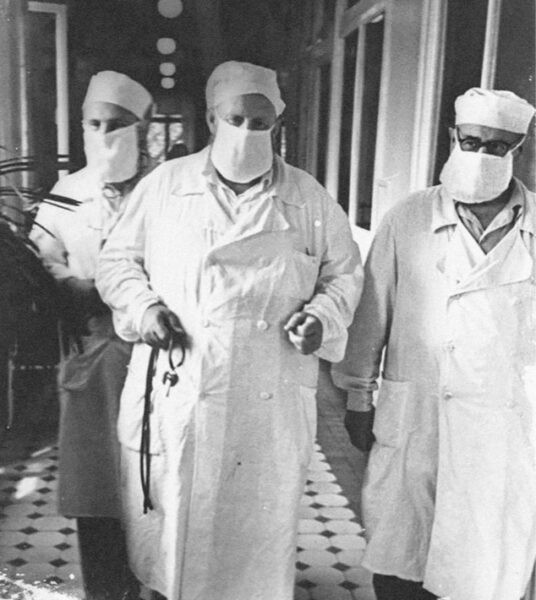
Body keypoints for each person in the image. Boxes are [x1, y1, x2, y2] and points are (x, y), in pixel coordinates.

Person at [96, 60, 362, 600]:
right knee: (172, 532)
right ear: (212, 119)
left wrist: (321, 318)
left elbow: (345, 276)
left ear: (278, 125)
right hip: (182, 384)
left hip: (267, 397)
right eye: (235, 119)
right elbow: (116, 262)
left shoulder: (308, 197)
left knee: (254, 543)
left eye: (260, 123)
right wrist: (145, 309)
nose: (246, 132)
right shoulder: (166, 185)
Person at [332, 87, 536, 600]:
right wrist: (358, 396)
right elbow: (371, 316)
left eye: (498, 146)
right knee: (402, 556)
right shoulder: (408, 217)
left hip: (502, 427)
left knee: (482, 569)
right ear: (452, 137)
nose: (483, 155)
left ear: (519, 150)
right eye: (472, 142)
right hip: (417, 416)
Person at [31, 70, 153, 600]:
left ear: (143, 126)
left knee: (153, 485)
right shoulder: (68, 193)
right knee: (97, 485)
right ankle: (105, 590)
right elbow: (42, 258)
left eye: (118, 124)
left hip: (156, 355)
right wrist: (77, 287)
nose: (105, 134)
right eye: (95, 124)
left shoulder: (167, 188)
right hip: (91, 352)